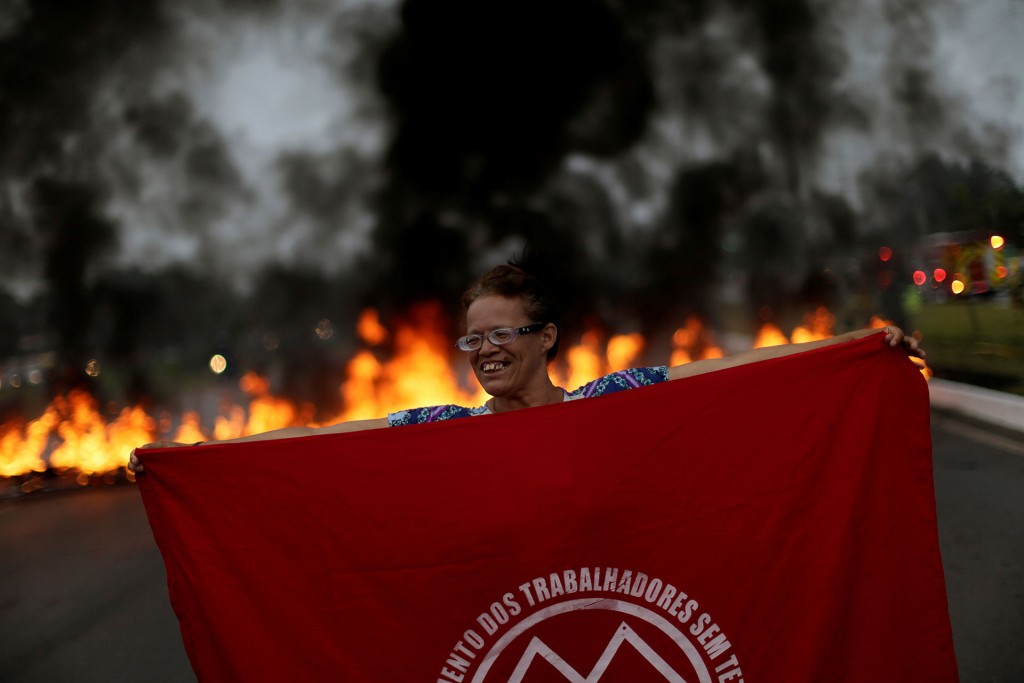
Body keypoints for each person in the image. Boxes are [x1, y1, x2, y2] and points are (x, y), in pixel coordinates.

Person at [129, 263, 924, 473]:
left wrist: (852, 349)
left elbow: (729, 375)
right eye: (471, 342)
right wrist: (202, 458)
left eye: (500, 335)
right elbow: (328, 435)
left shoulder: (611, 401)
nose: (484, 354)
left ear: (545, 338)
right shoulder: (442, 431)